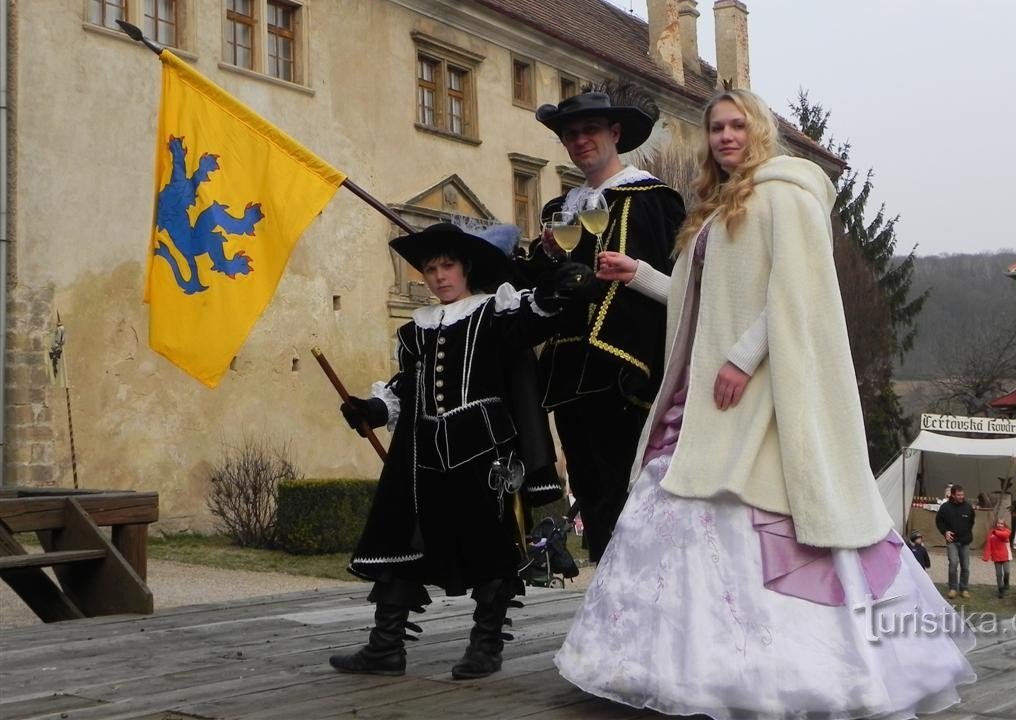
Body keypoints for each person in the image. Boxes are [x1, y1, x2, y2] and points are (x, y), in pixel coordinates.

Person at [554, 89, 975, 719]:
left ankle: (780, 673)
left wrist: (741, 359)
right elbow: (702, 306)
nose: (725, 136)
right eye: (716, 127)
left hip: (755, 393)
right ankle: (679, 666)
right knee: (676, 512)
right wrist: (637, 273)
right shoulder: (715, 209)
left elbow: (797, 293)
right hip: (700, 396)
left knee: (746, 512)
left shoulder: (785, 194)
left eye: (736, 125)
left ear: (760, 132)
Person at [328, 222, 591, 680]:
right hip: (423, 452)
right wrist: (372, 408)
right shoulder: (417, 331)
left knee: (489, 545)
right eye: (430, 269)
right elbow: (408, 385)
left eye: (446, 265)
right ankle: (385, 647)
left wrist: (556, 283)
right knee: (402, 537)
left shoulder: (496, 314)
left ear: (465, 267)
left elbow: (535, 319)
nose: (438, 276)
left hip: (484, 452)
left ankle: (485, 647)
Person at [519, 89, 686, 562]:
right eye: (570, 135)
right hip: (567, 366)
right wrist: (545, 258)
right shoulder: (561, 209)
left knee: (626, 484)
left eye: (589, 131)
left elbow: (676, 285)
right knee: (590, 491)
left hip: (621, 364)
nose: (579, 141)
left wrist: (617, 283)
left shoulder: (652, 199)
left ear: (615, 134)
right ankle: (606, 598)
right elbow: (540, 285)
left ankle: (639, 593)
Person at [936, 484, 976, 599]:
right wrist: (945, 532)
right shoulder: (945, 507)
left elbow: (971, 521)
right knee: (953, 564)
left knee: (966, 566)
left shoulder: (968, 507)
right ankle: (953, 588)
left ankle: (964, 589)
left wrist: (966, 533)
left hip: (965, 541)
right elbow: (939, 521)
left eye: (962, 494)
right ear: (953, 495)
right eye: (958, 495)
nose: (961, 496)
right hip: (952, 541)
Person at [982, 518, 1012, 598]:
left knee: (1007, 571)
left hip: (1005, 556)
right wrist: (986, 556)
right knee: (999, 574)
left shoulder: (1007, 531)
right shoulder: (991, 533)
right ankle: (1000, 590)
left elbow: (1004, 535)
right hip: (996, 556)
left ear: (1004, 525)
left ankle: (1006, 583)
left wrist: (995, 532)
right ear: (996, 524)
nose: (999, 525)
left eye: (1001, 523)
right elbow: (988, 545)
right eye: (998, 523)